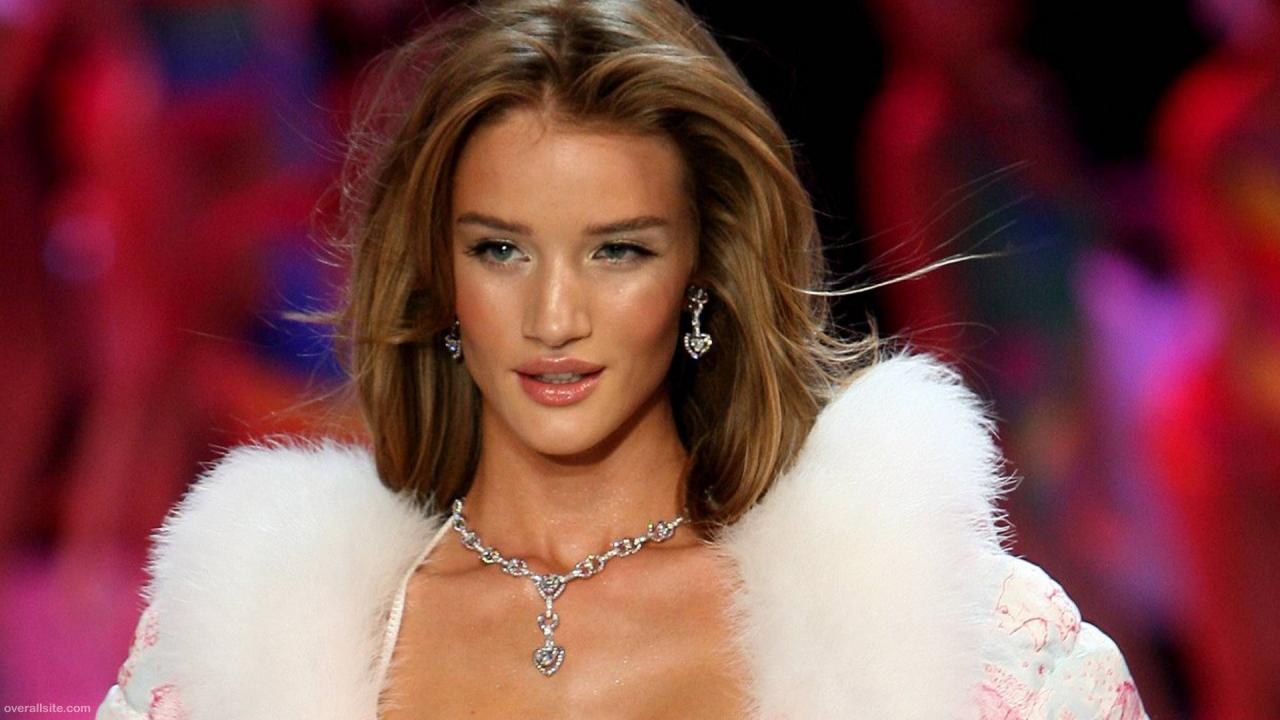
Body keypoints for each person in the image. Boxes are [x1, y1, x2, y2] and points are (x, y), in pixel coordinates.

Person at [94, 0, 1148, 717]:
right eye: (501, 250)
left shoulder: (951, 634)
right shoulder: (250, 646)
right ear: (439, 280)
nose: (554, 316)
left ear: (702, 276)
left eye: (618, 251)